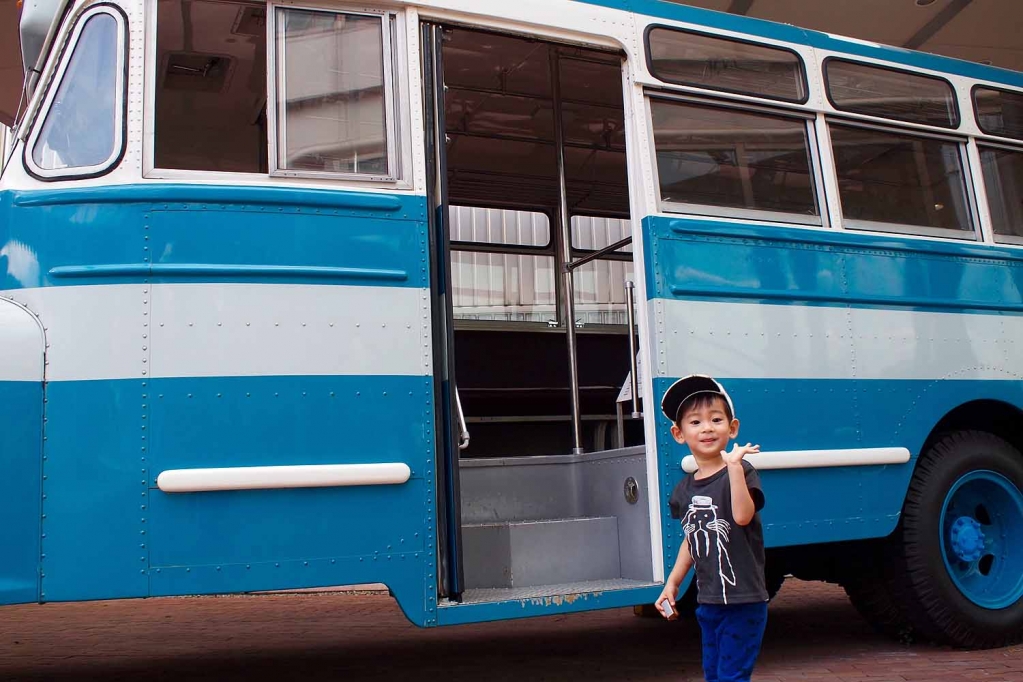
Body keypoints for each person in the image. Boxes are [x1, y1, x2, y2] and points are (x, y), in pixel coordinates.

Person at [654, 374, 768, 682]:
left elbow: (743, 516)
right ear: (679, 434)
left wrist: (733, 468)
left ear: (732, 429)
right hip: (708, 602)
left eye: (716, 419)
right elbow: (691, 540)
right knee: (714, 675)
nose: (706, 427)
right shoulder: (683, 490)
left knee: (731, 676)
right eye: (695, 422)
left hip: (745, 601)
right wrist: (673, 582)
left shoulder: (741, 470)